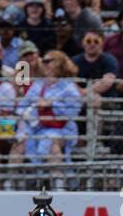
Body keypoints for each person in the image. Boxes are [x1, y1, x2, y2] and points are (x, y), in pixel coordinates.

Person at [13, 50, 82, 187]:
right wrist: (28, 114)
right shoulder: (38, 84)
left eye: (48, 61)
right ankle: (11, 183)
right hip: (36, 126)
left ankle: (59, 183)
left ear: (59, 64)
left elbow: (73, 111)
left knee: (51, 142)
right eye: (43, 61)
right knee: (18, 144)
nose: (44, 64)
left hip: (61, 129)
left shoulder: (68, 86)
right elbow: (22, 105)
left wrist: (52, 104)